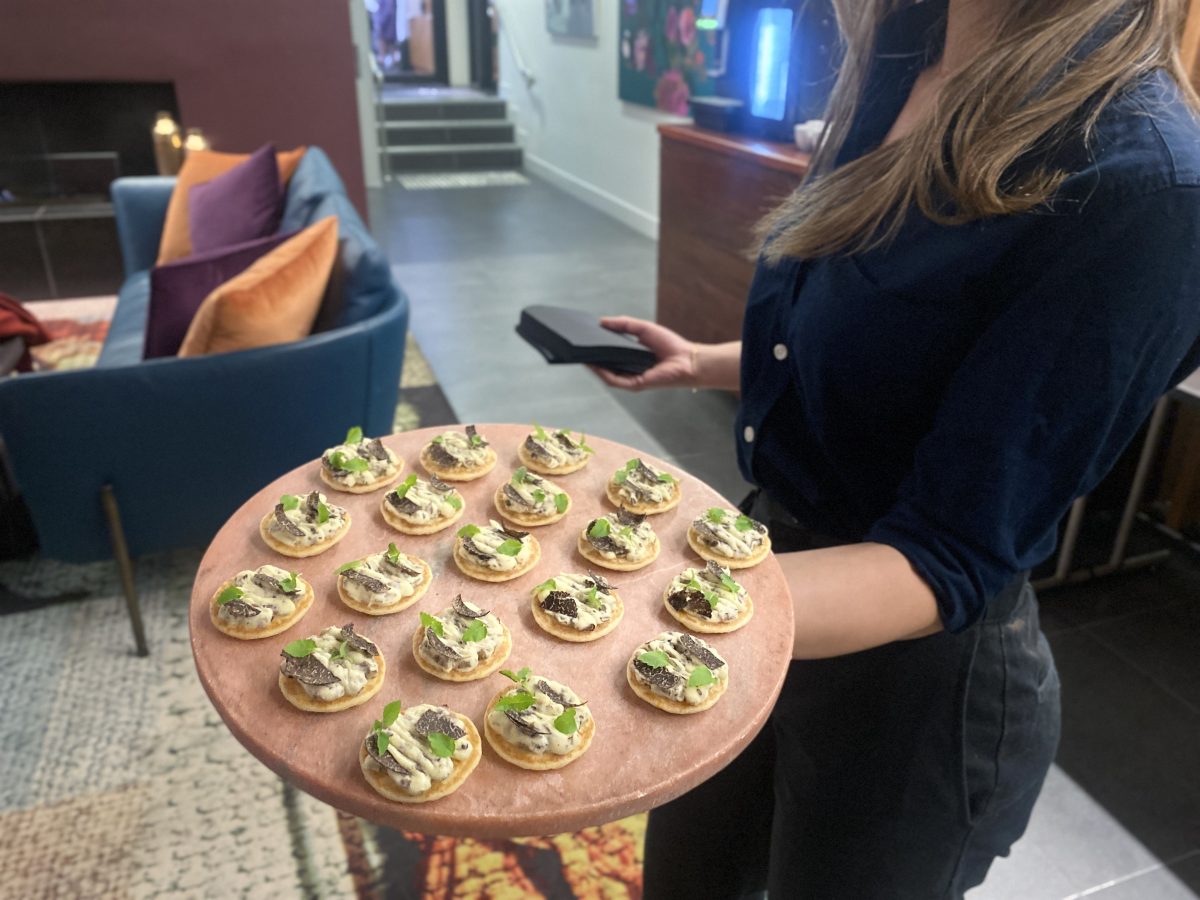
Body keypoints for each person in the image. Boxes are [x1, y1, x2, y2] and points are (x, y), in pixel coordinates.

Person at [594, 0, 1200, 897]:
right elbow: (868, 337)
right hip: (760, 589)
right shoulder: (902, 61)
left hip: (912, 695)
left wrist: (646, 601)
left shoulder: (1143, 182)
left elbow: (945, 554)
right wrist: (710, 362)